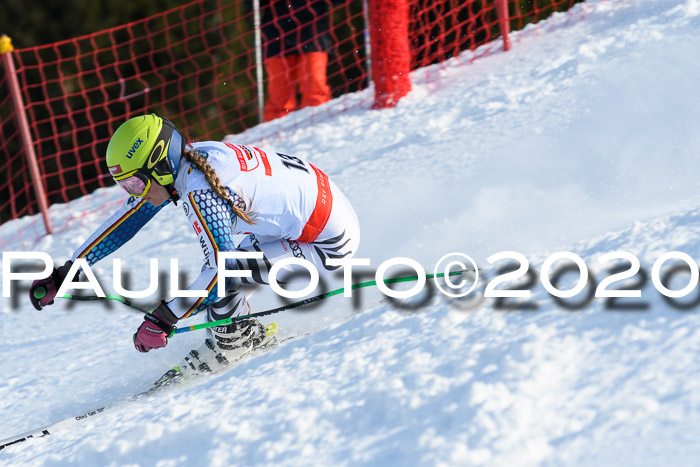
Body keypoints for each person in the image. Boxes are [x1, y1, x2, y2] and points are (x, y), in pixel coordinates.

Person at [29, 114, 360, 377]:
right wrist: (66, 272)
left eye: (133, 182)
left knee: (225, 277)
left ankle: (233, 347)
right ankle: (237, 332)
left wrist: (164, 318)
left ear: (158, 166)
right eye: (124, 184)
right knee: (226, 272)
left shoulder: (202, 190)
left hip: (327, 242)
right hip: (309, 220)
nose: (133, 192)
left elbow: (221, 271)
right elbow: (124, 222)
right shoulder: (189, 162)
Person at [246, 0, 338, 121]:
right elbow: (251, 5)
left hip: (314, 35)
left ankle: (319, 128)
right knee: (280, 98)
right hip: (277, 37)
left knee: (315, 90)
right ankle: (276, 135)